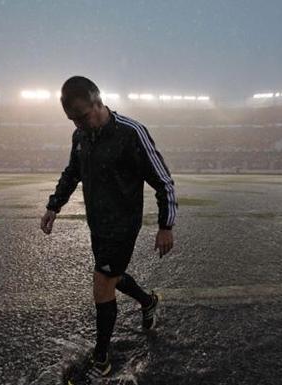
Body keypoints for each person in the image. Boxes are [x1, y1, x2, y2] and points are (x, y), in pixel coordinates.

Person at [40, 76, 177, 382]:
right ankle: (147, 301)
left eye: (82, 116)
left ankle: (101, 359)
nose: (77, 125)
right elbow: (72, 172)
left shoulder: (131, 133)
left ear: (98, 102)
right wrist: (53, 206)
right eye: (72, 120)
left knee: (102, 282)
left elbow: (163, 181)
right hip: (97, 224)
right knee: (112, 276)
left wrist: (166, 225)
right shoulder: (80, 137)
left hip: (123, 224)